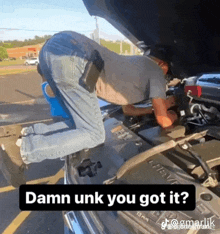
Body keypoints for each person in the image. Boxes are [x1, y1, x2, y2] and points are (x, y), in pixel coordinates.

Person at [0, 31, 177, 187]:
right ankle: (25, 150)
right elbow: (164, 121)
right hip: (75, 56)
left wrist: (155, 109)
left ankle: (21, 135)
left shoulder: (137, 64)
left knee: (80, 125)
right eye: (168, 73)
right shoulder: (156, 70)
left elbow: (128, 110)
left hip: (53, 50)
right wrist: (173, 117)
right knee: (94, 134)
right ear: (162, 63)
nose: (167, 77)